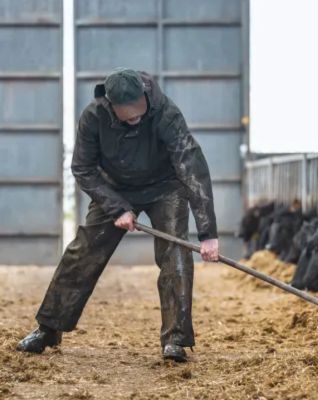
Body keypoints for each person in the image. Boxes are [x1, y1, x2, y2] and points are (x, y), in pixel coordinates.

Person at [16, 68, 219, 362]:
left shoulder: (166, 112)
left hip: (165, 186)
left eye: (139, 112)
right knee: (82, 251)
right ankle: (48, 328)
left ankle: (176, 339)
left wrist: (208, 233)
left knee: (175, 253)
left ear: (145, 96)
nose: (135, 118)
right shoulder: (93, 118)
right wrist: (116, 207)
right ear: (111, 106)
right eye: (128, 115)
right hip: (114, 188)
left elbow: (191, 166)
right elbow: (83, 168)